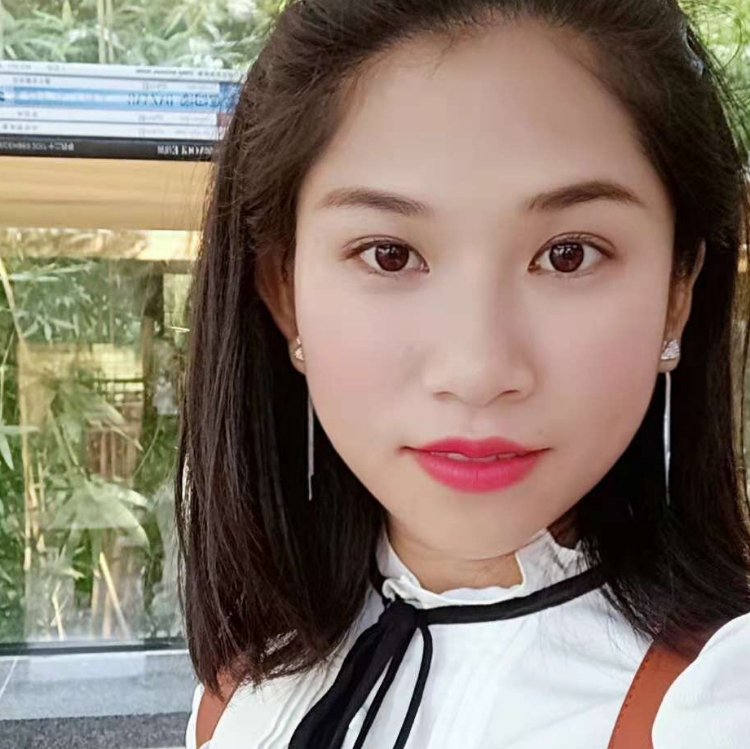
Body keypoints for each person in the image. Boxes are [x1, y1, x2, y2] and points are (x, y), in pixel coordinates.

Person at [177, 1, 750, 747]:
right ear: (284, 292)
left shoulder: (716, 705)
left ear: (678, 292)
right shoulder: (242, 692)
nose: (478, 371)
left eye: (569, 254)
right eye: (389, 255)